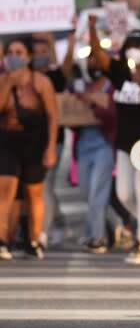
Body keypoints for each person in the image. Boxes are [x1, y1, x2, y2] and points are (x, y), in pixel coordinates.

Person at [89, 16, 140, 265]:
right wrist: (91, 28)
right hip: (123, 142)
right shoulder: (120, 71)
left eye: (139, 46)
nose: (135, 50)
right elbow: (99, 57)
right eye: (131, 45)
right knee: (124, 194)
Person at [0, 38, 58, 260]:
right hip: (7, 142)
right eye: (11, 52)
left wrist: (50, 147)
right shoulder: (3, 80)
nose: (15, 56)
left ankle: (34, 240)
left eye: (19, 52)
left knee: (34, 194)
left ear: (28, 57)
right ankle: (3, 240)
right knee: (5, 192)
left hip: (34, 143)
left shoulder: (41, 82)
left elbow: (53, 116)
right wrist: (8, 84)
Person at [69, 48, 118, 253]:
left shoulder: (110, 88)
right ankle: (102, 230)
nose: (93, 65)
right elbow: (69, 115)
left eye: (97, 61)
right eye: (90, 61)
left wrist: (93, 105)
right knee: (87, 193)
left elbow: (113, 117)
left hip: (103, 146)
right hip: (83, 147)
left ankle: (97, 238)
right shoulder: (79, 87)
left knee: (98, 193)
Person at [31, 33, 75, 246]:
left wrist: (55, 41)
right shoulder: (22, 76)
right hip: (26, 143)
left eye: (44, 52)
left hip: (52, 142)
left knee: (45, 186)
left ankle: (42, 232)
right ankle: (56, 222)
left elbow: (63, 68)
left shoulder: (53, 78)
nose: (40, 56)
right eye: (36, 52)